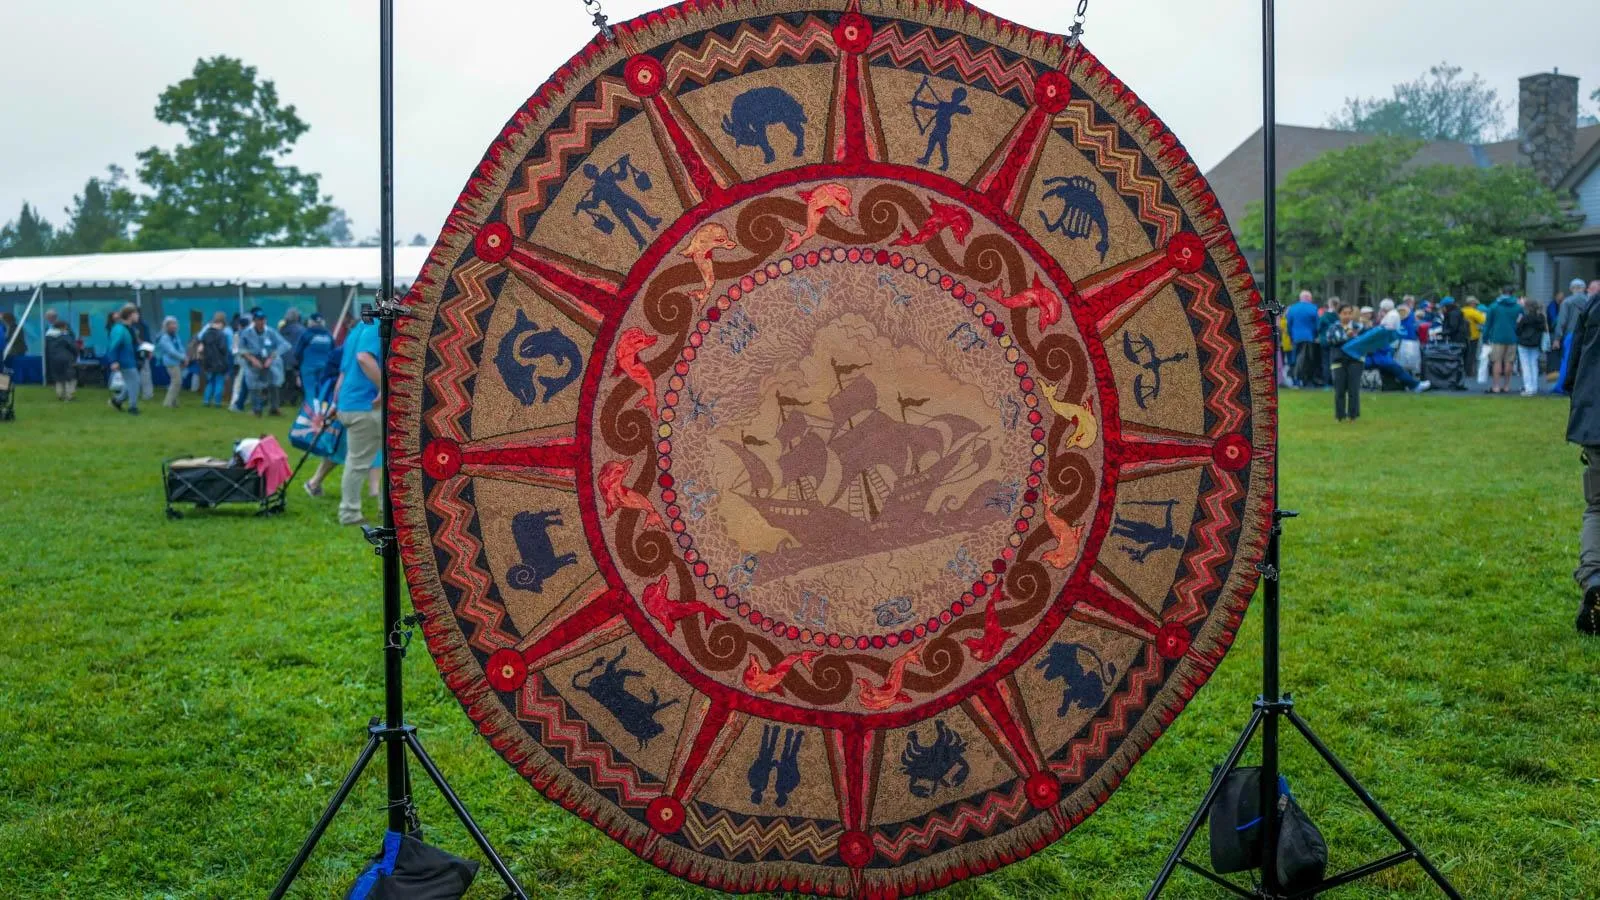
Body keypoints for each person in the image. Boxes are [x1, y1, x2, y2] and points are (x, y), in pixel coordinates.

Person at [1560, 284, 1600, 635]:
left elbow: (1572, 370)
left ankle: (1594, 577)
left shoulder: (1594, 304)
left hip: (1595, 423)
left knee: (1598, 507)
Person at [332, 313, 384, 526]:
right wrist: (385, 387)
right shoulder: (377, 325)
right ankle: (349, 513)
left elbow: (343, 372)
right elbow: (363, 357)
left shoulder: (357, 329)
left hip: (350, 402)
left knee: (359, 461)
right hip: (367, 405)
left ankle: (386, 508)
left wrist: (337, 401)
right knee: (361, 462)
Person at [238, 307, 288, 416]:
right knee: (253, 385)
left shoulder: (270, 332)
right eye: (259, 320)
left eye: (263, 319)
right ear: (254, 321)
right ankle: (257, 409)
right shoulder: (246, 333)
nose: (262, 322)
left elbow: (284, 344)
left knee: (274, 383)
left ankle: (274, 408)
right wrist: (252, 359)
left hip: (269, 359)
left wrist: (272, 357)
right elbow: (241, 349)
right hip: (253, 360)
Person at [1553, 279, 1590, 395]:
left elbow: (1562, 321)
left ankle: (1562, 386)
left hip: (1571, 334)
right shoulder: (1589, 301)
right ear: (1584, 288)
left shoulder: (1567, 302)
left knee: (1568, 360)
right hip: (1587, 334)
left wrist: (1557, 338)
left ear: (1571, 288)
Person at [1482, 288, 1522, 394]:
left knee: (1497, 361)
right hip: (1512, 337)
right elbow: (1521, 322)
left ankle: (1496, 386)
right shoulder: (1518, 307)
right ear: (1512, 293)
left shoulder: (1494, 306)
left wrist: (1485, 338)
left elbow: (1488, 324)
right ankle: (1507, 386)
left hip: (1497, 337)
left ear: (1501, 293)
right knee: (1509, 361)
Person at [292, 312, 336, 401]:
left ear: (310, 322)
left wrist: (297, 368)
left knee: (310, 391)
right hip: (324, 368)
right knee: (323, 391)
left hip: (308, 368)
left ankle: (310, 412)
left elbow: (297, 352)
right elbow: (333, 352)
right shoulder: (329, 335)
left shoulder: (306, 334)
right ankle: (323, 412)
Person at [106, 305, 141, 414]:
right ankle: (132, 407)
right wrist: (114, 361)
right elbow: (113, 346)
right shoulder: (119, 329)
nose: (138, 315)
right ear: (130, 315)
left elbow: (133, 344)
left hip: (130, 359)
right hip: (124, 360)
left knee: (131, 383)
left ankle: (117, 401)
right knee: (135, 382)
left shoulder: (129, 328)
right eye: (136, 313)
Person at [1284, 290, 1320, 387]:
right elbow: (1317, 325)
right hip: (1309, 338)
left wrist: (1291, 337)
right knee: (1308, 359)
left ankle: (1295, 380)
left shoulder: (1292, 309)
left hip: (1296, 337)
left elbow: (1289, 325)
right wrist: (1315, 335)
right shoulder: (1313, 308)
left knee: (1294, 358)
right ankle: (1306, 381)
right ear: (1309, 298)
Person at [1515, 297, 1548, 397]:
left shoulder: (1524, 317)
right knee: (1534, 364)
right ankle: (1534, 387)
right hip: (1536, 343)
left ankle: (1528, 388)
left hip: (1524, 343)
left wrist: (1518, 322)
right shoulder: (1541, 317)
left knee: (1525, 366)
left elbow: (1518, 330)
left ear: (1527, 307)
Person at [199, 313, 232, 407]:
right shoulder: (222, 334)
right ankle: (217, 402)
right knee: (219, 382)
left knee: (210, 382)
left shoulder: (205, 334)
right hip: (220, 362)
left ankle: (206, 401)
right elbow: (224, 349)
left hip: (208, 362)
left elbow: (202, 347)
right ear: (221, 323)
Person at [155, 316, 186, 408]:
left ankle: (174, 402)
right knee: (177, 382)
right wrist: (183, 358)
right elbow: (171, 351)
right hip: (170, 362)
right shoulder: (164, 338)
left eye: (175, 324)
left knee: (176, 382)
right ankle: (168, 403)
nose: (174, 326)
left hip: (177, 361)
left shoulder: (175, 336)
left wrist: (184, 357)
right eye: (172, 324)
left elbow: (180, 347)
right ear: (166, 326)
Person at [44, 316, 77, 400]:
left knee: (58, 377)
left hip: (53, 358)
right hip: (66, 358)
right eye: (66, 326)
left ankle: (59, 394)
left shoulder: (48, 336)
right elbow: (72, 347)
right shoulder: (65, 335)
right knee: (69, 377)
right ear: (62, 327)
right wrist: (75, 355)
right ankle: (69, 395)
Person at [130, 307, 154, 401]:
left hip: (142, 351)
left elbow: (147, 339)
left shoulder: (142, 325)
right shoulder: (130, 325)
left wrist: (149, 352)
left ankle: (147, 394)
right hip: (133, 352)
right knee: (142, 373)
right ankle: (143, 394)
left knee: (145, 373)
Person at [1461, 295, 1486, 381]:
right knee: (1471, 355)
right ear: (1472, 304)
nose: (1476, 305)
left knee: (1464, 354)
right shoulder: (1473, 312)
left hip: (1463, 336)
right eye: (1475, 304)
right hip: (1473, 336)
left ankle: (1463, 370)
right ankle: (1470, 372)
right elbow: (1483, 320)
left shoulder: (1462, 310)